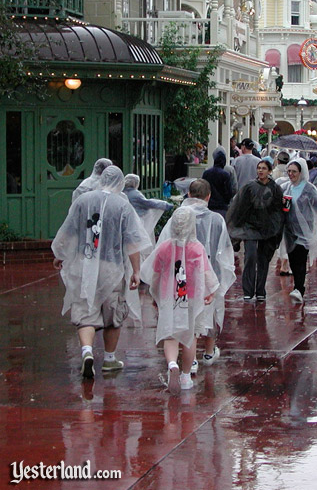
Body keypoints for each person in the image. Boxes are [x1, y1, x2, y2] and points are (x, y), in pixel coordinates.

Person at [52, 166, 152, 378]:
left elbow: (69, 230)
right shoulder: (123, 205)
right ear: (119, 183)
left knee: (85, 311)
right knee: (112, 312)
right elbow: (132, 241)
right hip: (112, 267)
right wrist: (136, 270)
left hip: (84, 264)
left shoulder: (82, 201)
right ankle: (109, 359)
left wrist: (60, 255)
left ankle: (87, 351)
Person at [159, 179, 236, 372]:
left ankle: (187, 361)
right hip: (208, 273)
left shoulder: (178, 217)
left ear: (190, 195)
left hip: (180, 276)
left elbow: (163, 246)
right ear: (208, 197)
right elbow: (224, 249)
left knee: (183, 317)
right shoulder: (217, 219)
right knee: (208, 313)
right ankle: (208, 351)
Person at [140, 207, 219, 394]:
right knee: (190, 335)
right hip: (192, 297)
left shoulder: (165, 247)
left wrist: (155, 294)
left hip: (170, 296)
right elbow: (207, 273)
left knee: (170, 334)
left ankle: (172, 364)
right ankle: (185, 375)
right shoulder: (197, 248)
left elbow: (156, 275)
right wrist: (211, 292)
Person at [226, 159, 284, 301]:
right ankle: (248, 290)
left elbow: (278, 210)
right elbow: (239, 207)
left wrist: (276, 227)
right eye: (259, 168)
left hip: (267, 229)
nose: (260, 170)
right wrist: (237, 228)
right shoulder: (249, 187)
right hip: (250, 227)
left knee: (263, 260)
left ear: (269, 171)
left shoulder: (275, 189)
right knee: (250, 256)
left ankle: (260, 290)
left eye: (264, 168)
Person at [281, 159, 317, 303]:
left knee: (300, 258)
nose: (291, 174)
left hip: (305, 229)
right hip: (289, 230)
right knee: (292, 258)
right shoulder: (286, 188)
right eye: (289, 171)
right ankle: (297, 285)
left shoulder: (309, 189)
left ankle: (299, 288)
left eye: (294, 171)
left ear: (301, 173)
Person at [123, 173, 173, 248]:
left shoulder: (122, 192)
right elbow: (148, 203)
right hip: (136, 221)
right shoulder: (135, 194)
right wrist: (165, 205)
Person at [202, 150, 234, 218]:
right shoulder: (225, 175)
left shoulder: (206, 173)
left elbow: (203, 187)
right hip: (221, 206)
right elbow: (229, 192)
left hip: (208, 204)